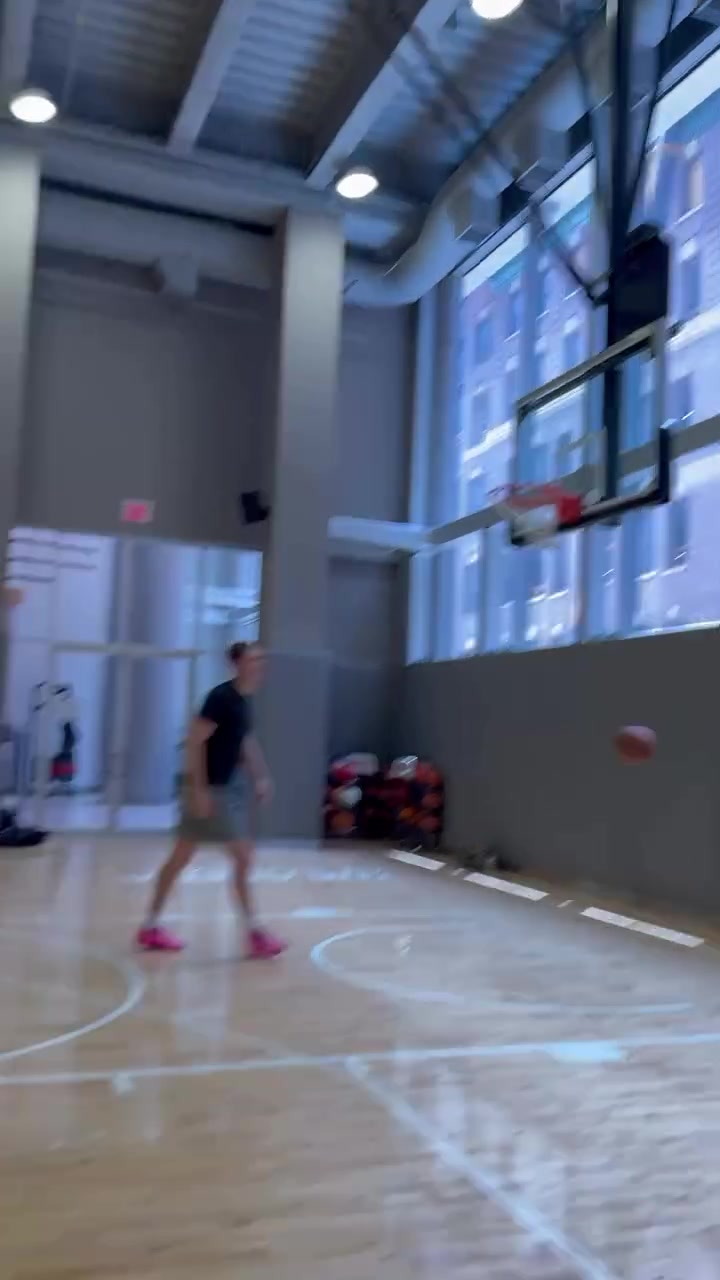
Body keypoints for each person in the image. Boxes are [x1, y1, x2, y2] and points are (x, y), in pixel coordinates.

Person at [135, 641, 287, 959]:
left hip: (222, 788)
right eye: (253, 659)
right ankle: (255, 933)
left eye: (261, 659)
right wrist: (198, 790)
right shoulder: (220, 698)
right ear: (237, 664)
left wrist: (260, 775)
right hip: (210, 790)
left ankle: (150, 926)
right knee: (241, 858)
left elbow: (244, 741)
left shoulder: (243, 701)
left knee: (182, 857)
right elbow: (194, 741)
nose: (259, 665)